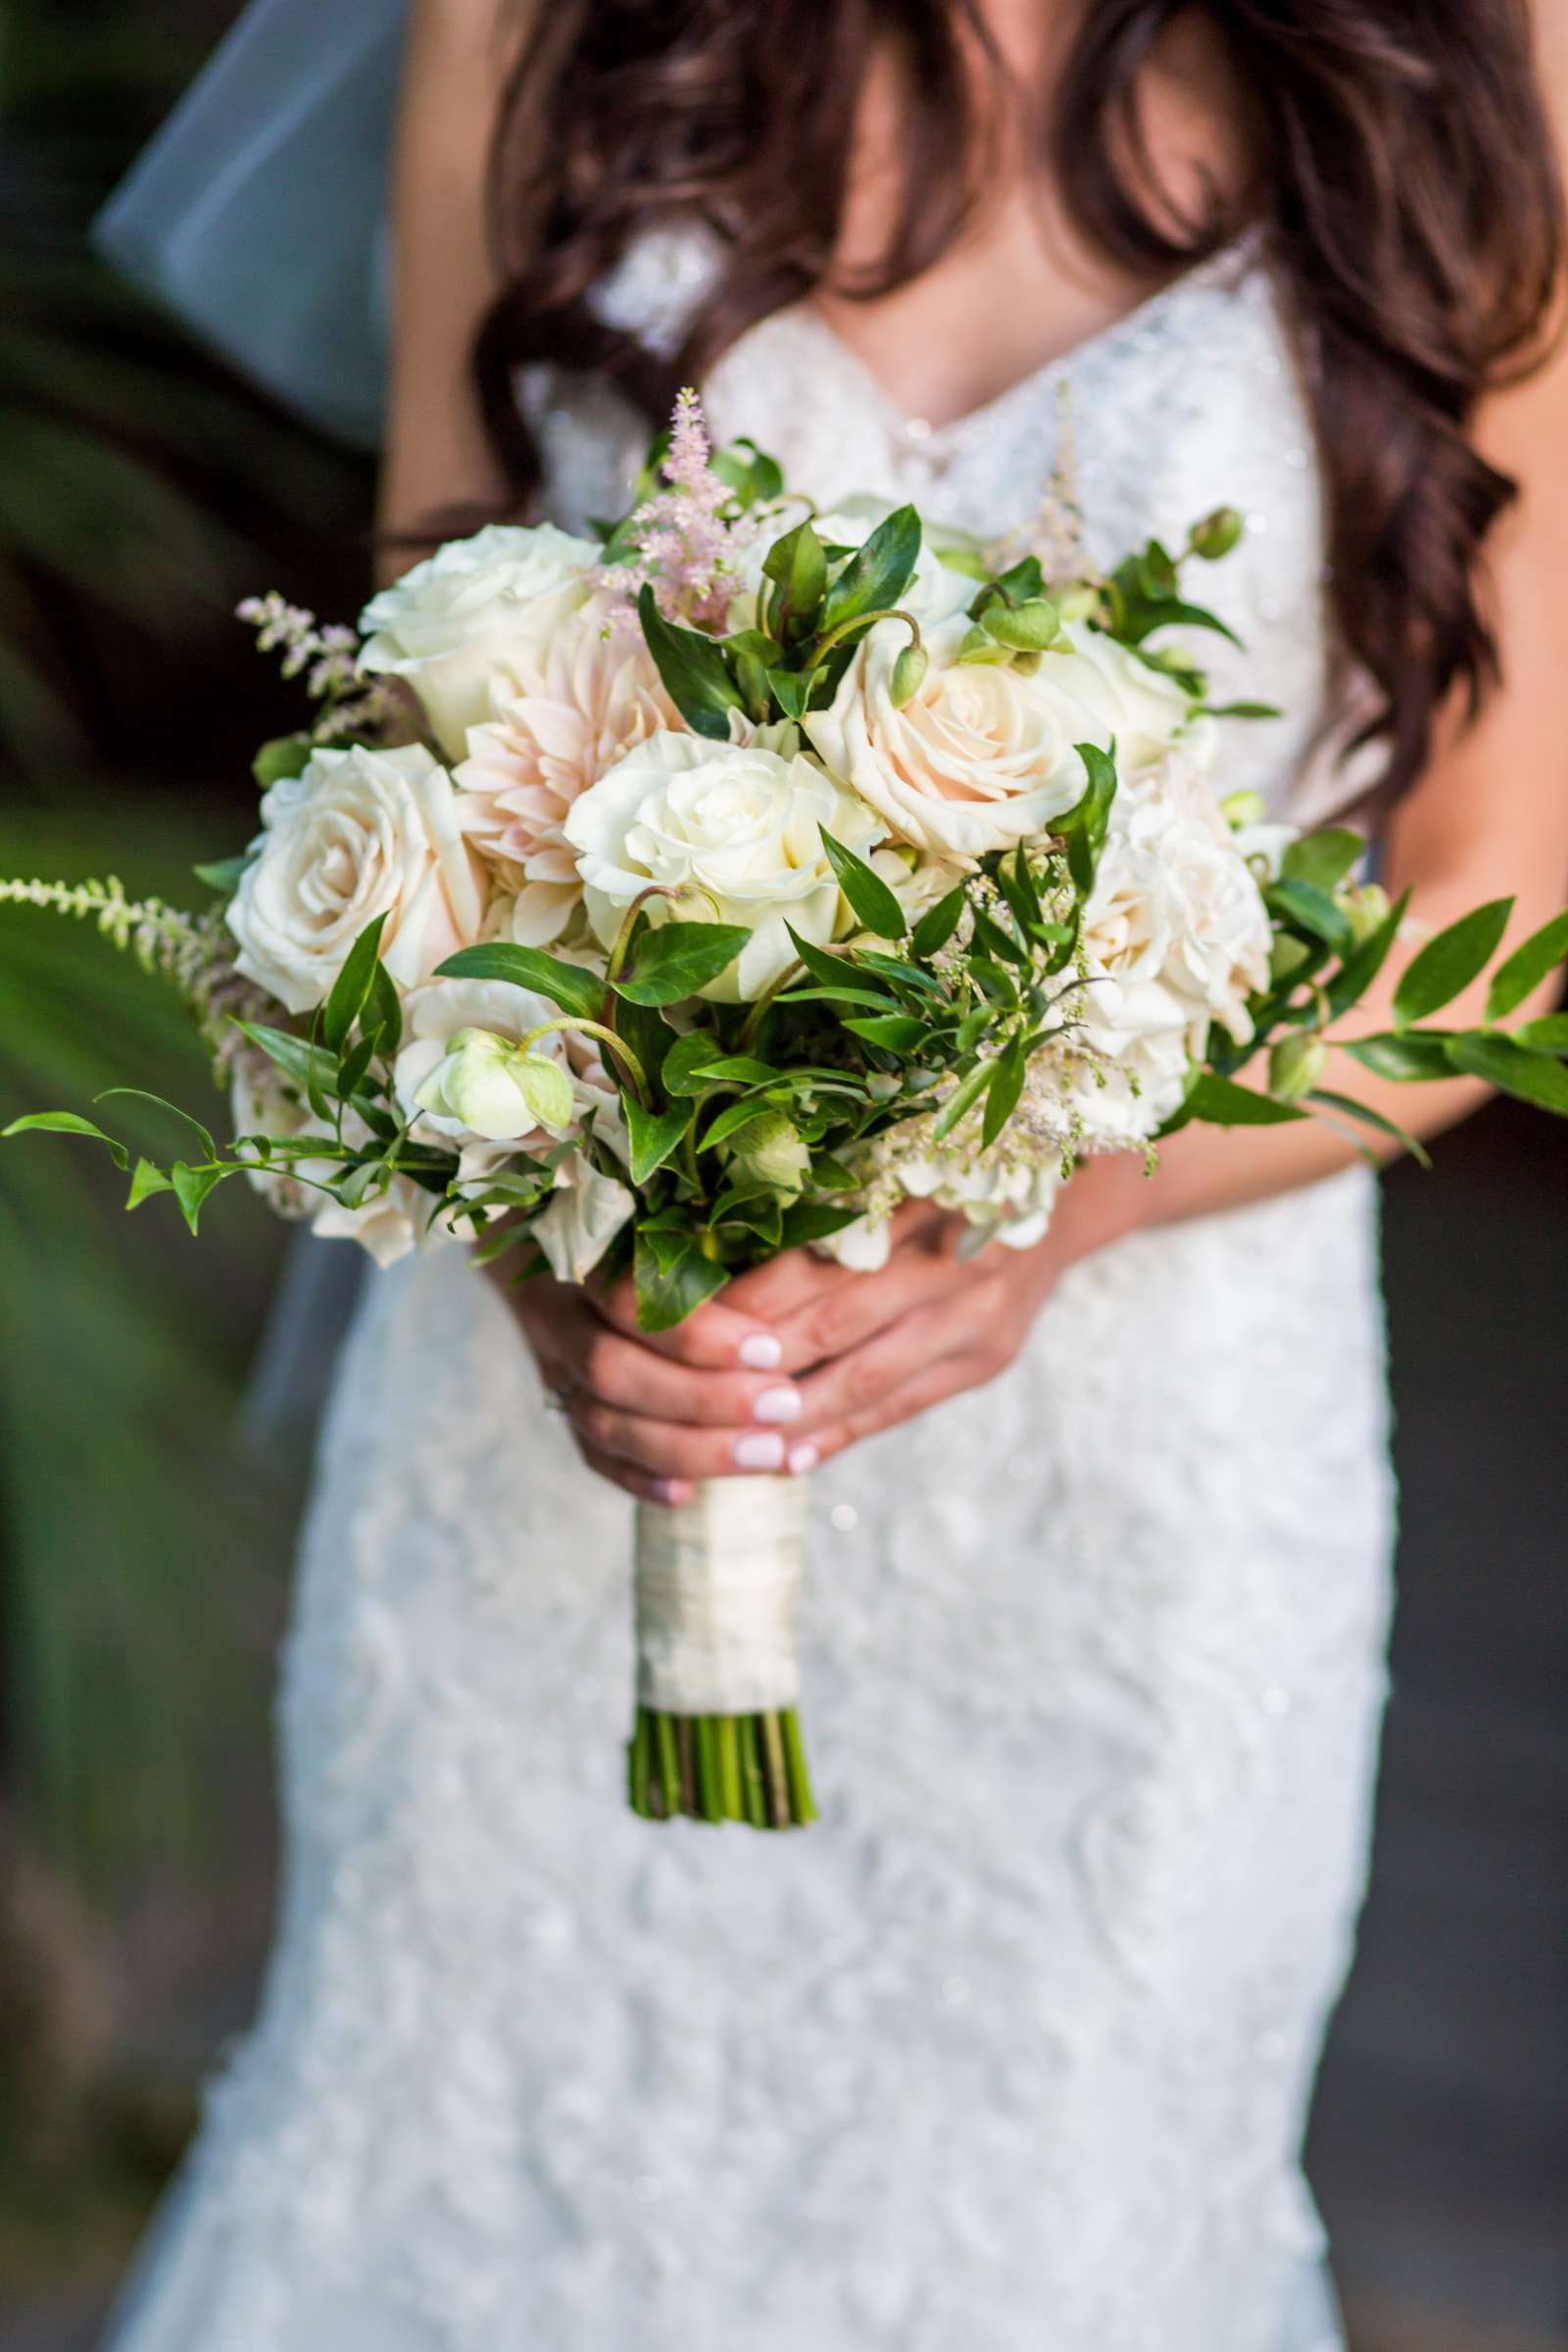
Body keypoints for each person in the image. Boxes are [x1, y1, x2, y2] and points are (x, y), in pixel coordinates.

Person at [100, 3, 1568, 2347]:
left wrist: (1063, 1206)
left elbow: (1498, 926)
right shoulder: (539, 25)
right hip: (564, 1404)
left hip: (1141, 1480)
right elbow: (416, 720)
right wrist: (530, 1254)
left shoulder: (1472, 60)